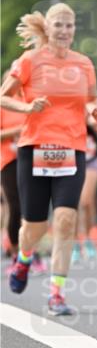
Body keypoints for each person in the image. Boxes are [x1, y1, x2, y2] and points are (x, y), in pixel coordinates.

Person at [1, 2, 97, 315]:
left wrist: (94, 111)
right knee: (33, 226)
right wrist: (27, 108)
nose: (64, 31)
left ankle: (56, 294)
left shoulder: (83, 63)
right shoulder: (29, 60)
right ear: (47, 28)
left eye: (69, 25)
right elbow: (4, 95)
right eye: (58, 25)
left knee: (65, 219)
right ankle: (23, 259)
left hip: (71, 148)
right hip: (34, 146)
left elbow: (91, 99)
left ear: (74, 30)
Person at [71, 118, 97, 263]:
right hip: (70, 158)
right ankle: (75, 244)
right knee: (72, 204)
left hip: (91, 157)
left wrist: (89, 120)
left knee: (86, 202)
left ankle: (89, 239)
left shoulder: (89, 106)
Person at [0, 73, 25, 259]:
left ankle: (28, 252)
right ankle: (16, 251)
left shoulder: (30, 101)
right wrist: (17, 131)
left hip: (33, 157)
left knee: (31, 208)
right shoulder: (2, 103)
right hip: (8, 158)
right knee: (14, 205)